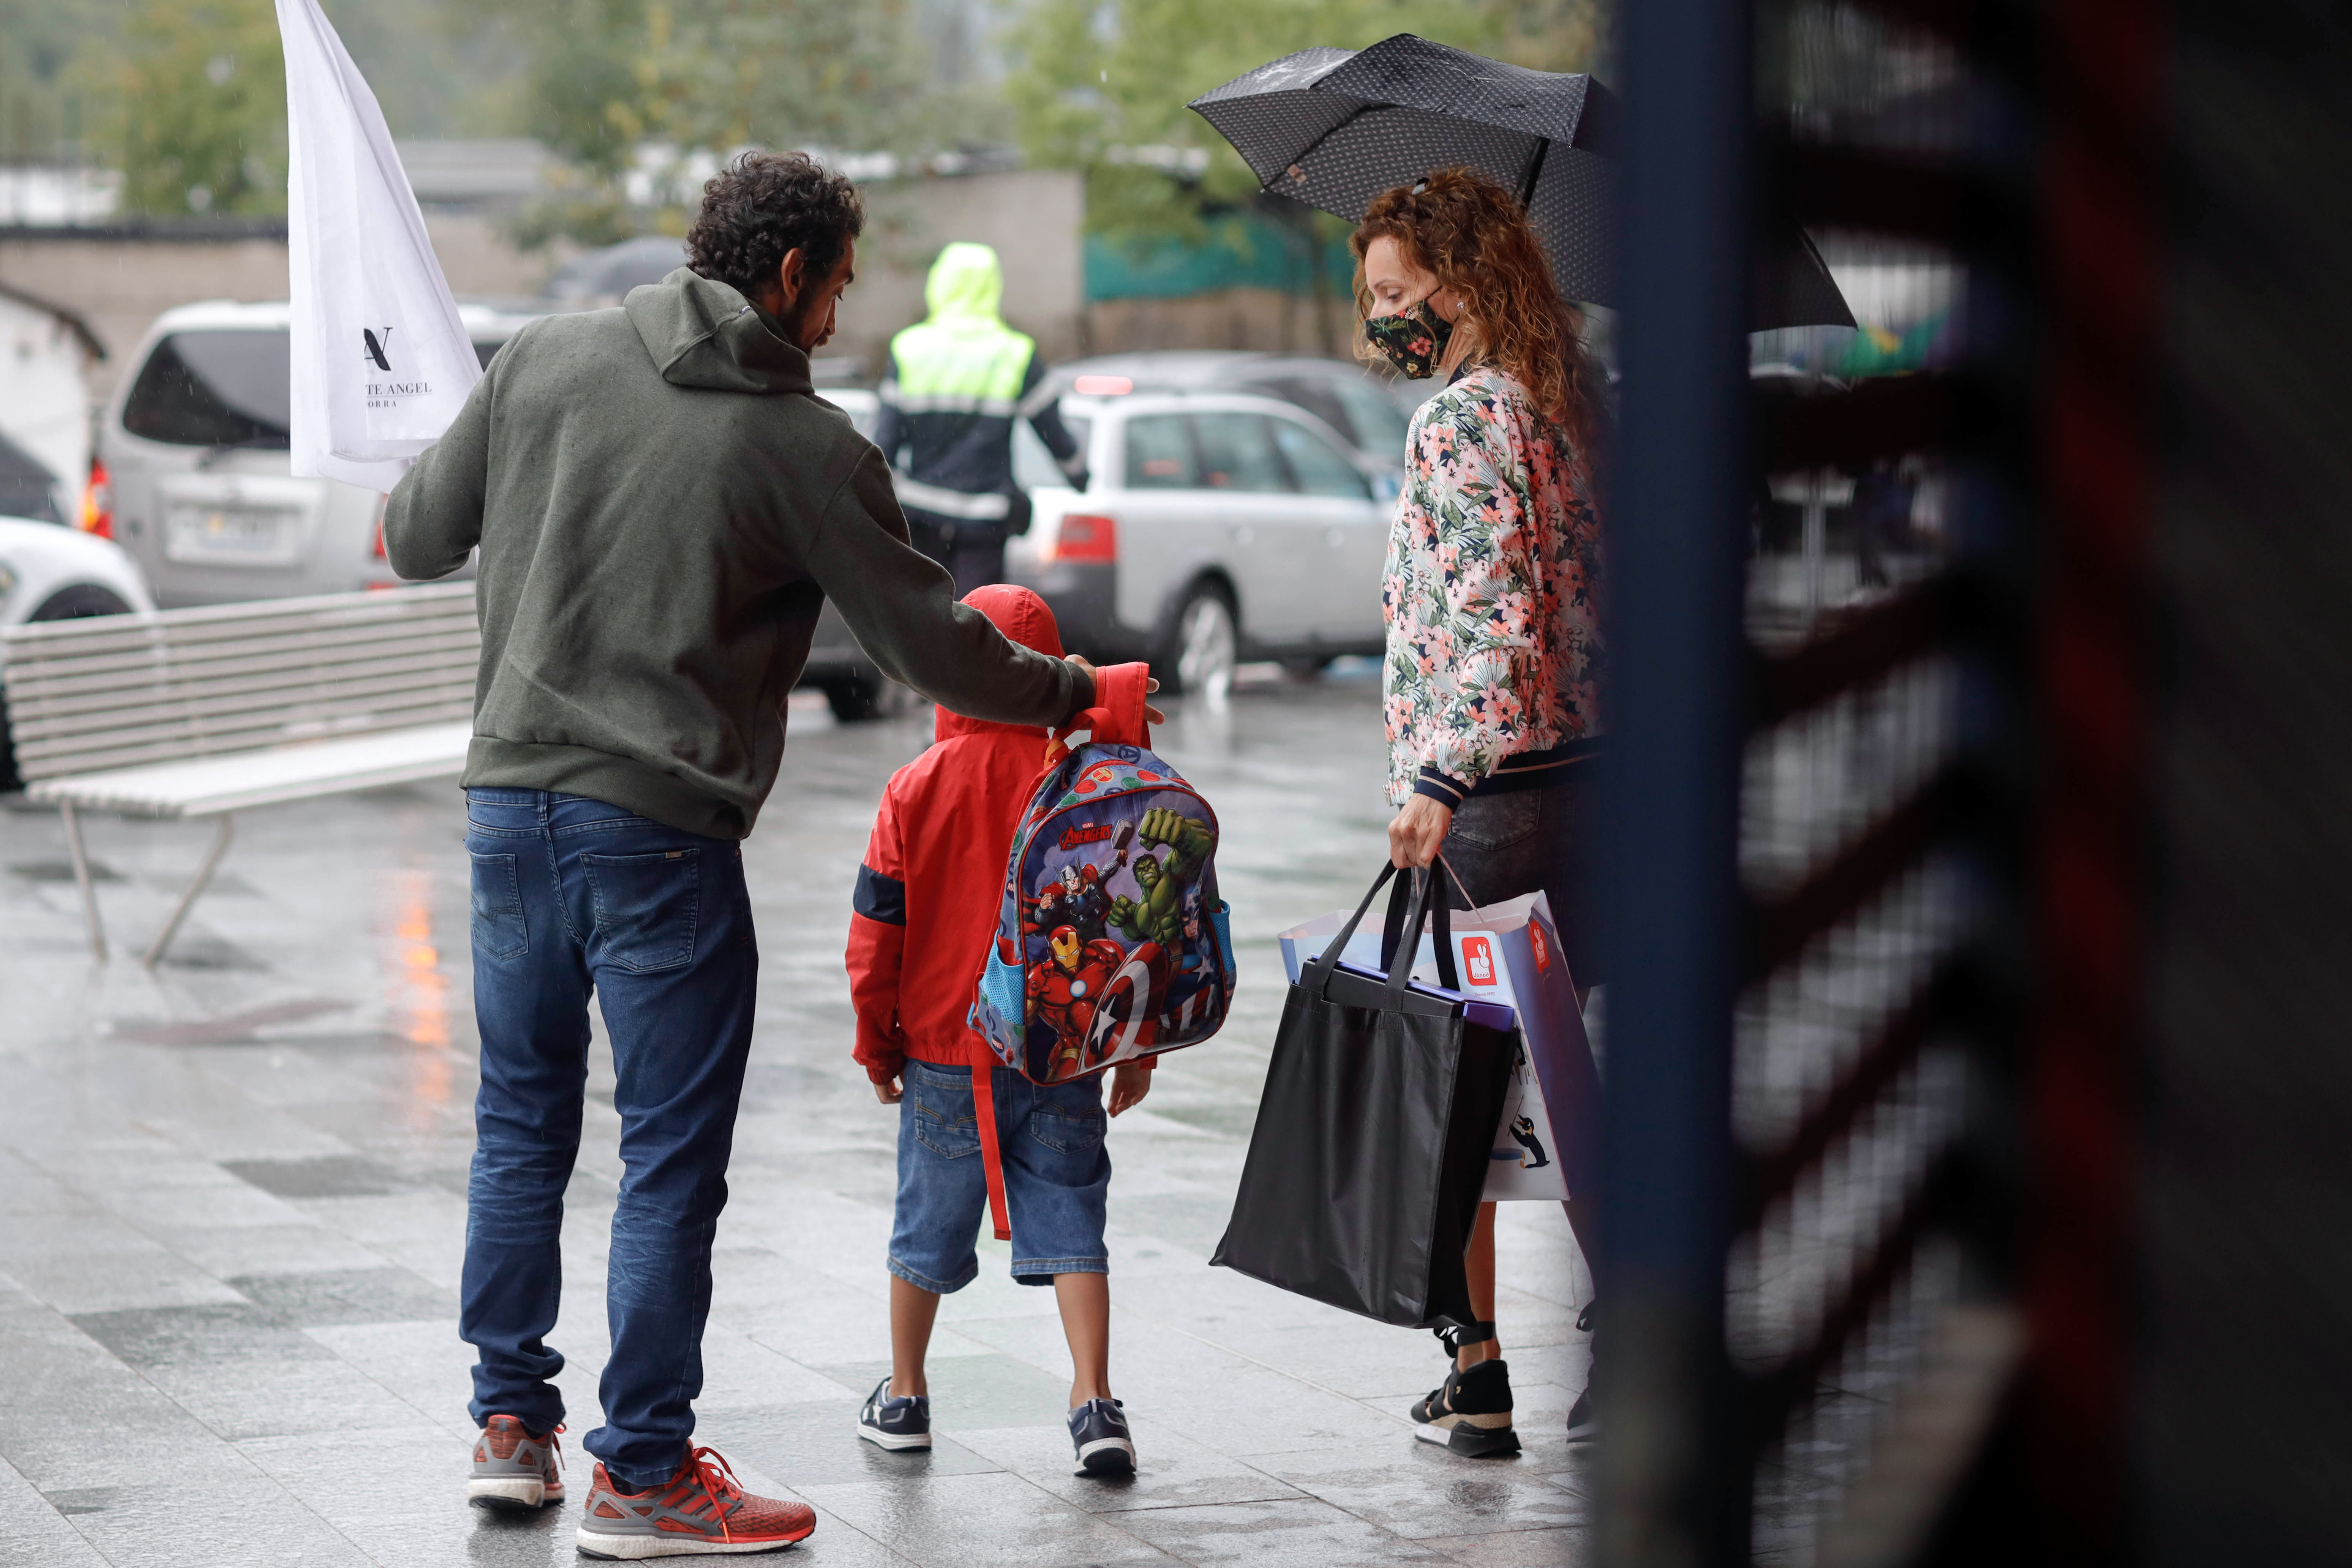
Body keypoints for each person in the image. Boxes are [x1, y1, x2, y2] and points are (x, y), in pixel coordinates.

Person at [382, 152, 1104, 1557]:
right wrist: (1075, 689)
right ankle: (643, 1470)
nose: (834, 318)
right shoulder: (803, 443)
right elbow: (938, 649)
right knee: (667, 1156)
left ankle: (509, 1430)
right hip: (653, 834)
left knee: (521, 1122)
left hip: (506, 809)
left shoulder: (544, 357)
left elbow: (413, 535)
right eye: (835, 288)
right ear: (786, 277)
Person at [1351, 167, 1611, 1451]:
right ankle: (1601, 1347)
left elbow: (1497, 627)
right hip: (1589, 790)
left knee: (1453, 1097)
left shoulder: (1460, 421)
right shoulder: (1571, 405)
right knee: (1564, 1086)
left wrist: (1439, 779)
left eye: (1397, 296)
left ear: (1461, 286)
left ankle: (1481, 1362)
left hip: (1489, 805)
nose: (1380, 323)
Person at [844, 583, 1156, 1475]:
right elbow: (1134, 923)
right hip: (1061, 1049)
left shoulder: (915, 784)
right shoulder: (1087, 779)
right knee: (1074, 1217)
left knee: (923, 1227)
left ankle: (904, 1392)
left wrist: (876, 1044)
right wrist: (1135, 1044)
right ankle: (1094, 1399)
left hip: (943, 1049)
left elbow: (875, 934)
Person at [869, 242, 1090, 596]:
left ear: (938, 284)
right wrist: (1080, 477)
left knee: (925, 626)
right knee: (978, 627)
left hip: (920, 520)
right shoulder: (1014, 353)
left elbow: (882, 447)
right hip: (984, 526)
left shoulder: (908, 349)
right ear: (993, 288)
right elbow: (1056, 436)